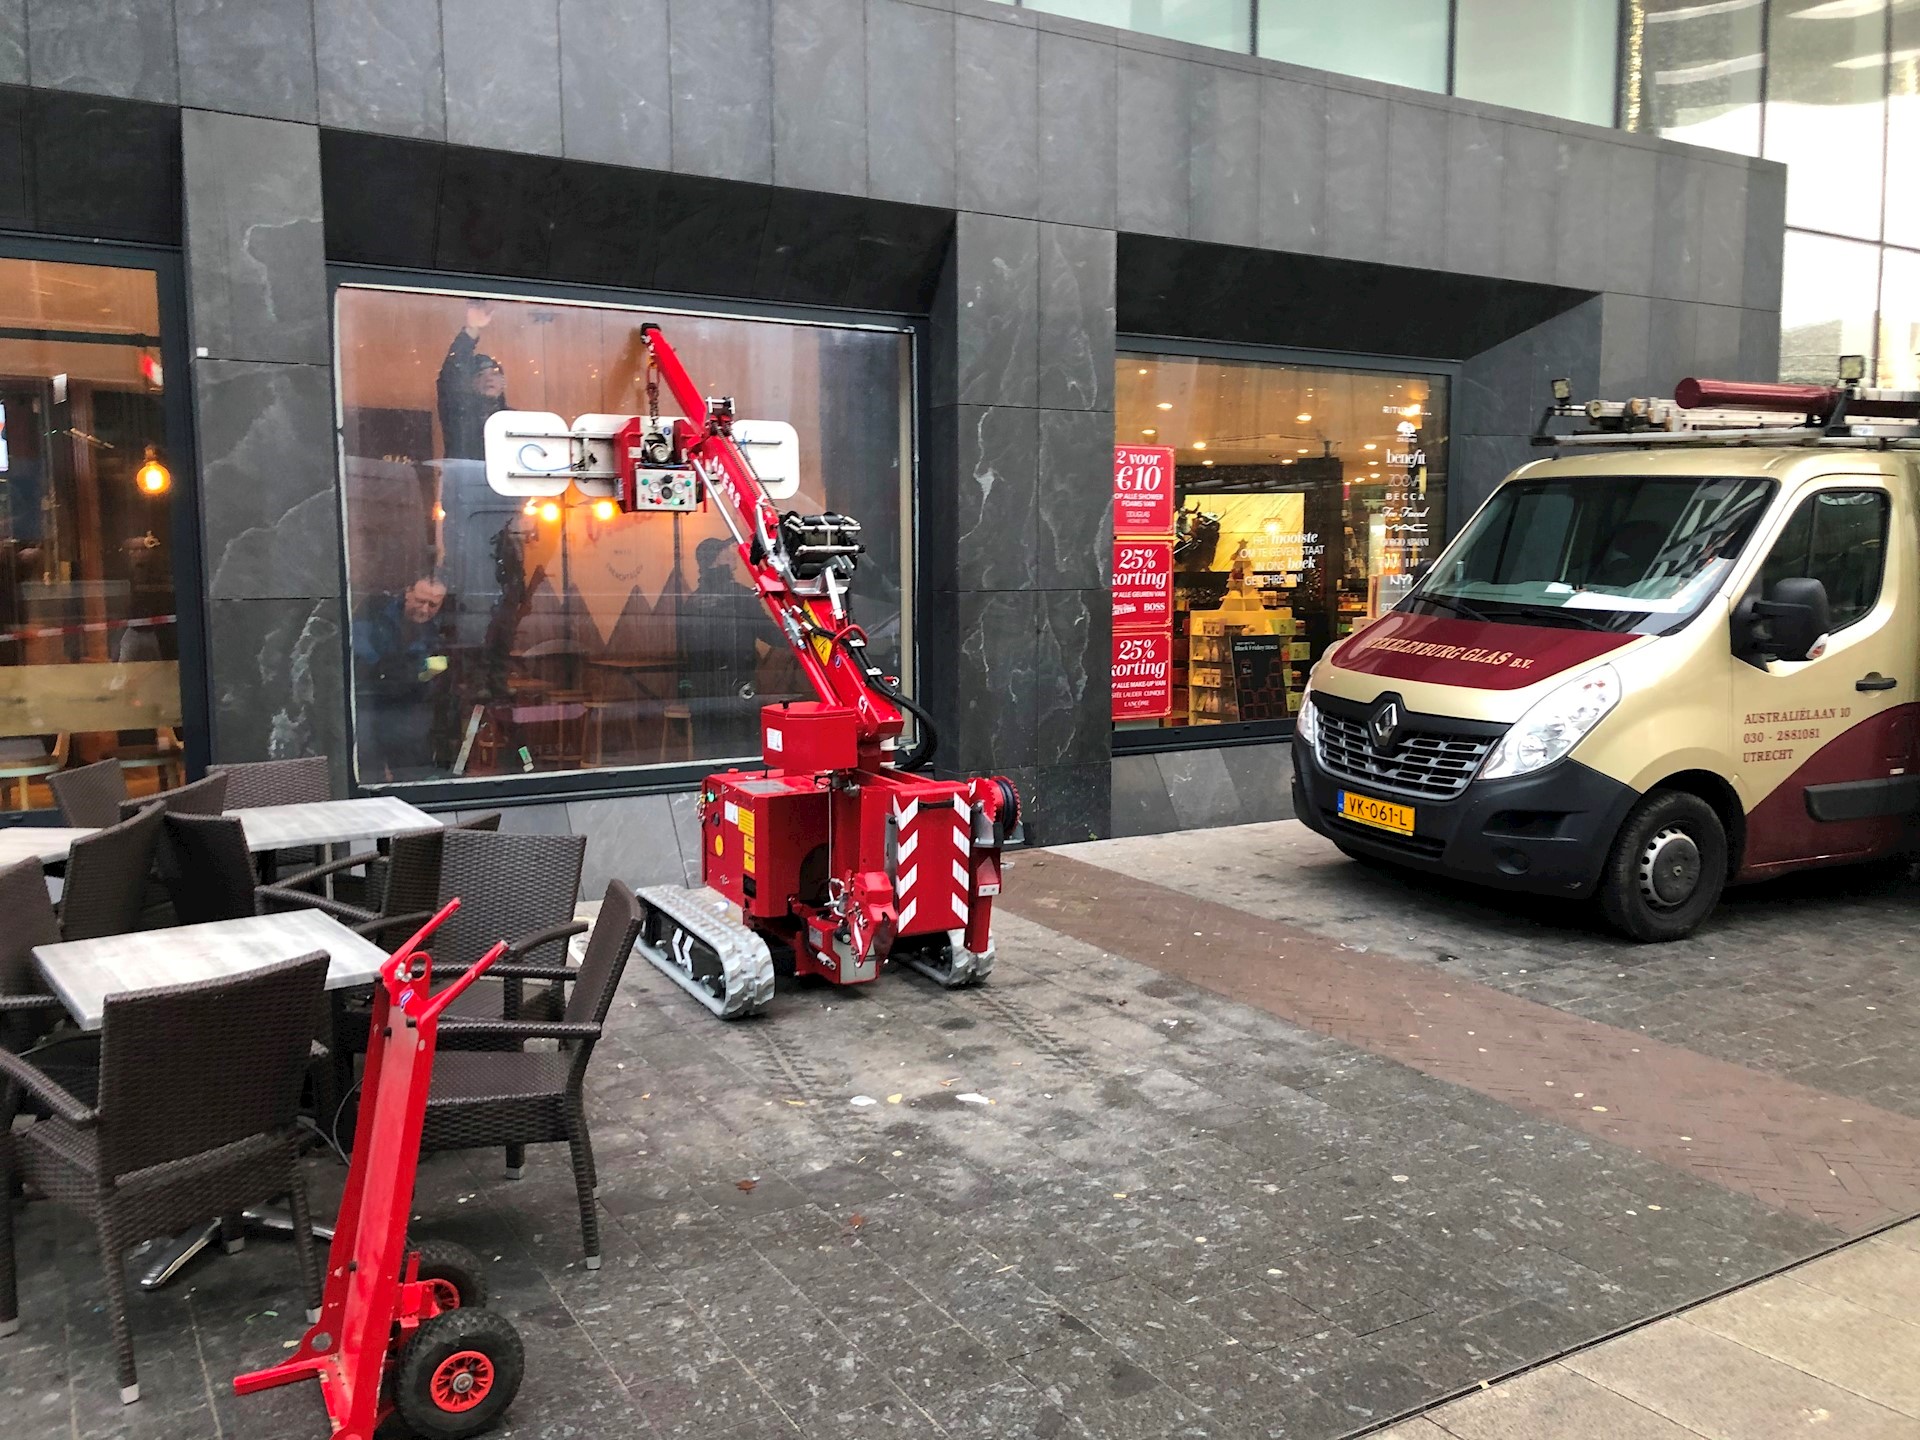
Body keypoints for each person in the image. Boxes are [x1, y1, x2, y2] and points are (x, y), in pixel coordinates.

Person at [352, 572, 450, 780]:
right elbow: (363, 658)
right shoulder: (374, 611)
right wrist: (402, 670)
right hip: (371, 704)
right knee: (370, 776)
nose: (425, 609)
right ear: (408, 593)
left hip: (410, 708)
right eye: (421, 601)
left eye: (433, 605)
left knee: (413, 774)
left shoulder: (435, 628)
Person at [436, 301, 508, 461]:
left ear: (503, 383)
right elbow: (452, 373)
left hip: (508, 485)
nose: (489, 377)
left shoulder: (513, 420)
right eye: (480, 374)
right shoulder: (458, 411)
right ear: (469, 382)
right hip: (466, 480)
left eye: (494, 373)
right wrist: (471, 330)